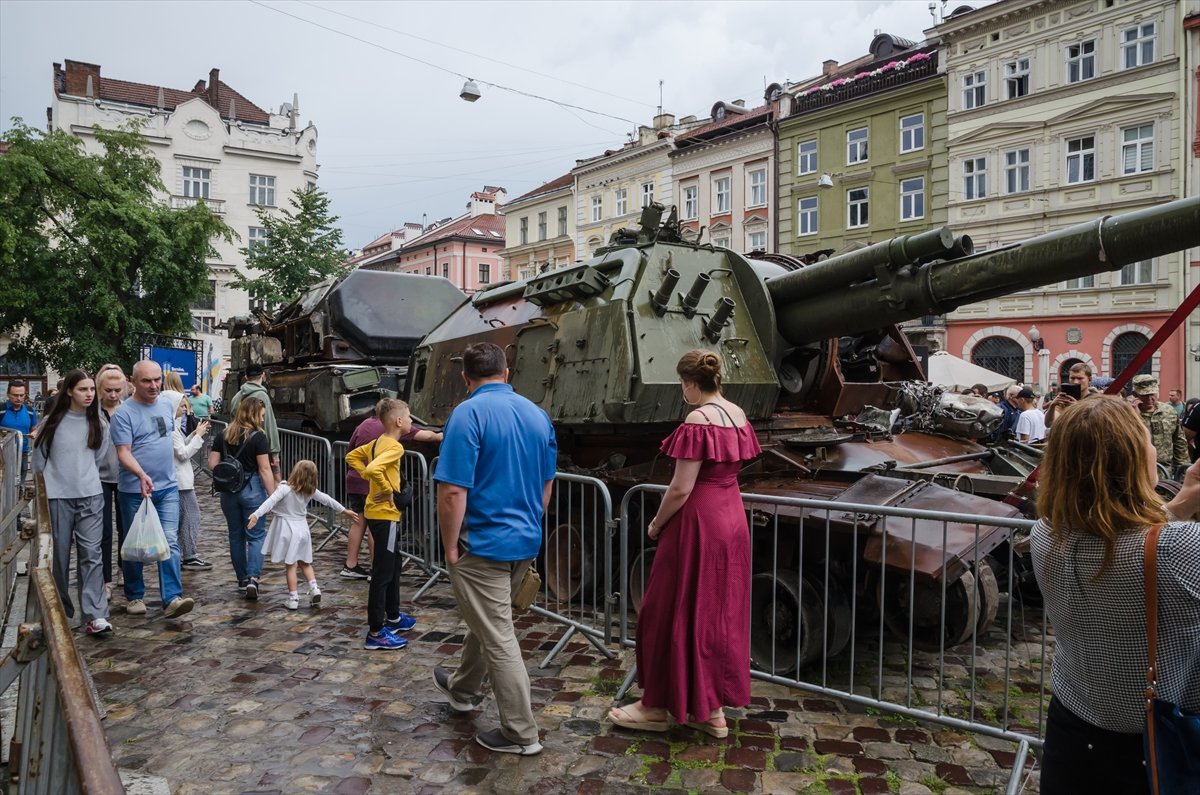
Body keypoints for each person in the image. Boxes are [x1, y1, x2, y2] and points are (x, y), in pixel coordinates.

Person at [1030, 396, 1200, 794]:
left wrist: (1184, 502)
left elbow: (1122, 540)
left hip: (1072, 731)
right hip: (1156, 749)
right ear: (1134, 458)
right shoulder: (1181, 550)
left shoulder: (1045, 534)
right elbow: (1149, 548)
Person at [607, 350, 762, 740]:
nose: (682, 392)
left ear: (691, 383)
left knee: (665, 611)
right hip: (731, 518)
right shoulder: (738, 415)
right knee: (715, 615)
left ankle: (656, 706)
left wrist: (657, 525)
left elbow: (680, 488)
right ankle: (712, 712)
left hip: (698, 522)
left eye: (682, 384)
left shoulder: (698, 419)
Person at [431, 342, 557, 757]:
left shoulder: (466, 414)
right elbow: (546, 483)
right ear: (507, 373)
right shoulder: (538, 415)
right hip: (524, 539)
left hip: (481, 541)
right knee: (488, 621)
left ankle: (523, 733)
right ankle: (463, 689)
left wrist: (450, 546)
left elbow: (452, 491)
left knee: (498, 634)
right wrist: (531, 525)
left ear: (466, 378)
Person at [109, 361, 194, 619]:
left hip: (167, 487)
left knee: (169, 540)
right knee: (136, 542)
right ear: (133, 381)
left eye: (157, 379)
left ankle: (172, 598)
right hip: (135, 489)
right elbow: (123, 453)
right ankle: (134, 595)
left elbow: (167, 438)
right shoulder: (124, 414)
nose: (154, 385)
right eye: (147, 381)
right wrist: (141, 474)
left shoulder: (166, 405)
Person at [32, 369, 113, 635]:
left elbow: (98, 457)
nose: (89, 394)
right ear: (69, 391)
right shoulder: (52, 423)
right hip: (58, 497)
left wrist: (85, 477)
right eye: (83, 389)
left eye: (91, 389)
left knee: (92, 555)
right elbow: (39, 459)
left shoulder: (98, 423)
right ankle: (61, 611)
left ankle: (95, 614)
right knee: (59, 557)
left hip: (90, 495)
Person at [346, 399, 416, 650]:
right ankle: (376, 631)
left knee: (393, 564)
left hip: (376, 512)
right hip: (385, 514)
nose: (411, 421)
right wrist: (388, 490)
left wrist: (367, 475)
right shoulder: (394, 447)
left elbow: (352, 455)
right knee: (383, 573)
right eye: (408, 417)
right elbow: (375, 468)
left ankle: (394, 616)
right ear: (398, 421)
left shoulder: (377, 443)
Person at [341, 414, 443, 579]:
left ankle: (350, 564)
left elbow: (351, 450)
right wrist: (441, 435)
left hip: (354, 478)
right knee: (376, 527)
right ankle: (377, 569)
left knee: (359, 521)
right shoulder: (392, 429)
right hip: (375, 484)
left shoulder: (364, 424)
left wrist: (361, 472)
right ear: (397, 417)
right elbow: (427, 436)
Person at [249, 460, 357, 610]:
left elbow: (270, 502)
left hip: (287, 529)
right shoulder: (310, 491)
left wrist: (256, 515)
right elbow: (327, 500)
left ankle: (293, 598)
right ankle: (314, 589)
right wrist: (344, 510)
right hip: (303, 529)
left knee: (291, 566)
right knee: (305, 563)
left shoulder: (285, 489)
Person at [208, 395, 275, 600]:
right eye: (261, 415)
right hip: (252, 487)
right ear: (254, 414)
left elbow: (212, 464)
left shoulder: (224, 434)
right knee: (255, 536)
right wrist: (273, 496)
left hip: (229, 491)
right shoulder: (258, 437)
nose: (263, 420)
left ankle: (242, 579)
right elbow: (264, 469)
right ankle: (253, 578)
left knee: (235, 536)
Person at [160, 390, 211, 570]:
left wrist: (194, 435)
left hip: (180, 479)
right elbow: (183, 453)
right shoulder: (171, 428)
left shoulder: (172, 426)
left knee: (185, 517)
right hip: (180, 480)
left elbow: (181, 446)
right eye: (182, 406)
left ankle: (187, 553)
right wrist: (197, 436)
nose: (184, 410)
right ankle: (189, 554)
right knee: (190, 517)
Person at [228, 364, 281, 481]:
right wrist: (275, 452)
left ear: (246, 377)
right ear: (262, 375)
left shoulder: (236, 397)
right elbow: (269, 424)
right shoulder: (262, 396)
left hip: (238, 444)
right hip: (257, 446)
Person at [1131, 374, 1188, 479]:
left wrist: (1183, 474)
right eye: (1145, 395)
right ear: (1135, 394)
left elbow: (1179, 442)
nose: (1149, 398)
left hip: (1165, 472)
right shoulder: (1128, 414)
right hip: (1137, 472)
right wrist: (1135, 417)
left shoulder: (1168, 411)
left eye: (1152, 394)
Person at [0, 379, 39, 484]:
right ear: (8, 395)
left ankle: (19, 497)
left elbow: (34, 428)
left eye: (22, 395)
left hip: (23, 452)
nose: (19, 398)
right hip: (3, 454)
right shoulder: (1, 410)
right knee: (5, 483)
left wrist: (34, 433)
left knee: (20, 481)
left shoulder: (30, 411)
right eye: (15, 395)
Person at [1045, 362, 1095, 428]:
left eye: (1080, 378)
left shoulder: (1095, 400)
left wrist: (1076, 408)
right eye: (1072, 378)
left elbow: (1094, 425)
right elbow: (1049, 424)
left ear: (1090, 379)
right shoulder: (1065, 399)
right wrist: (1052, 406)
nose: (1075, 382)